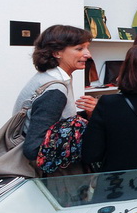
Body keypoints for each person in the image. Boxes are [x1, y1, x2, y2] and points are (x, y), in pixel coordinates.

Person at [13, 25, 97, 175]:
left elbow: (54, 121)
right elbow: (33, 149)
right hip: (52, 174)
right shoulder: (55, 90)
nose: (88, 54)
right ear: (57, 53)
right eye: (79, 49)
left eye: (87, 48)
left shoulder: (50, 77)